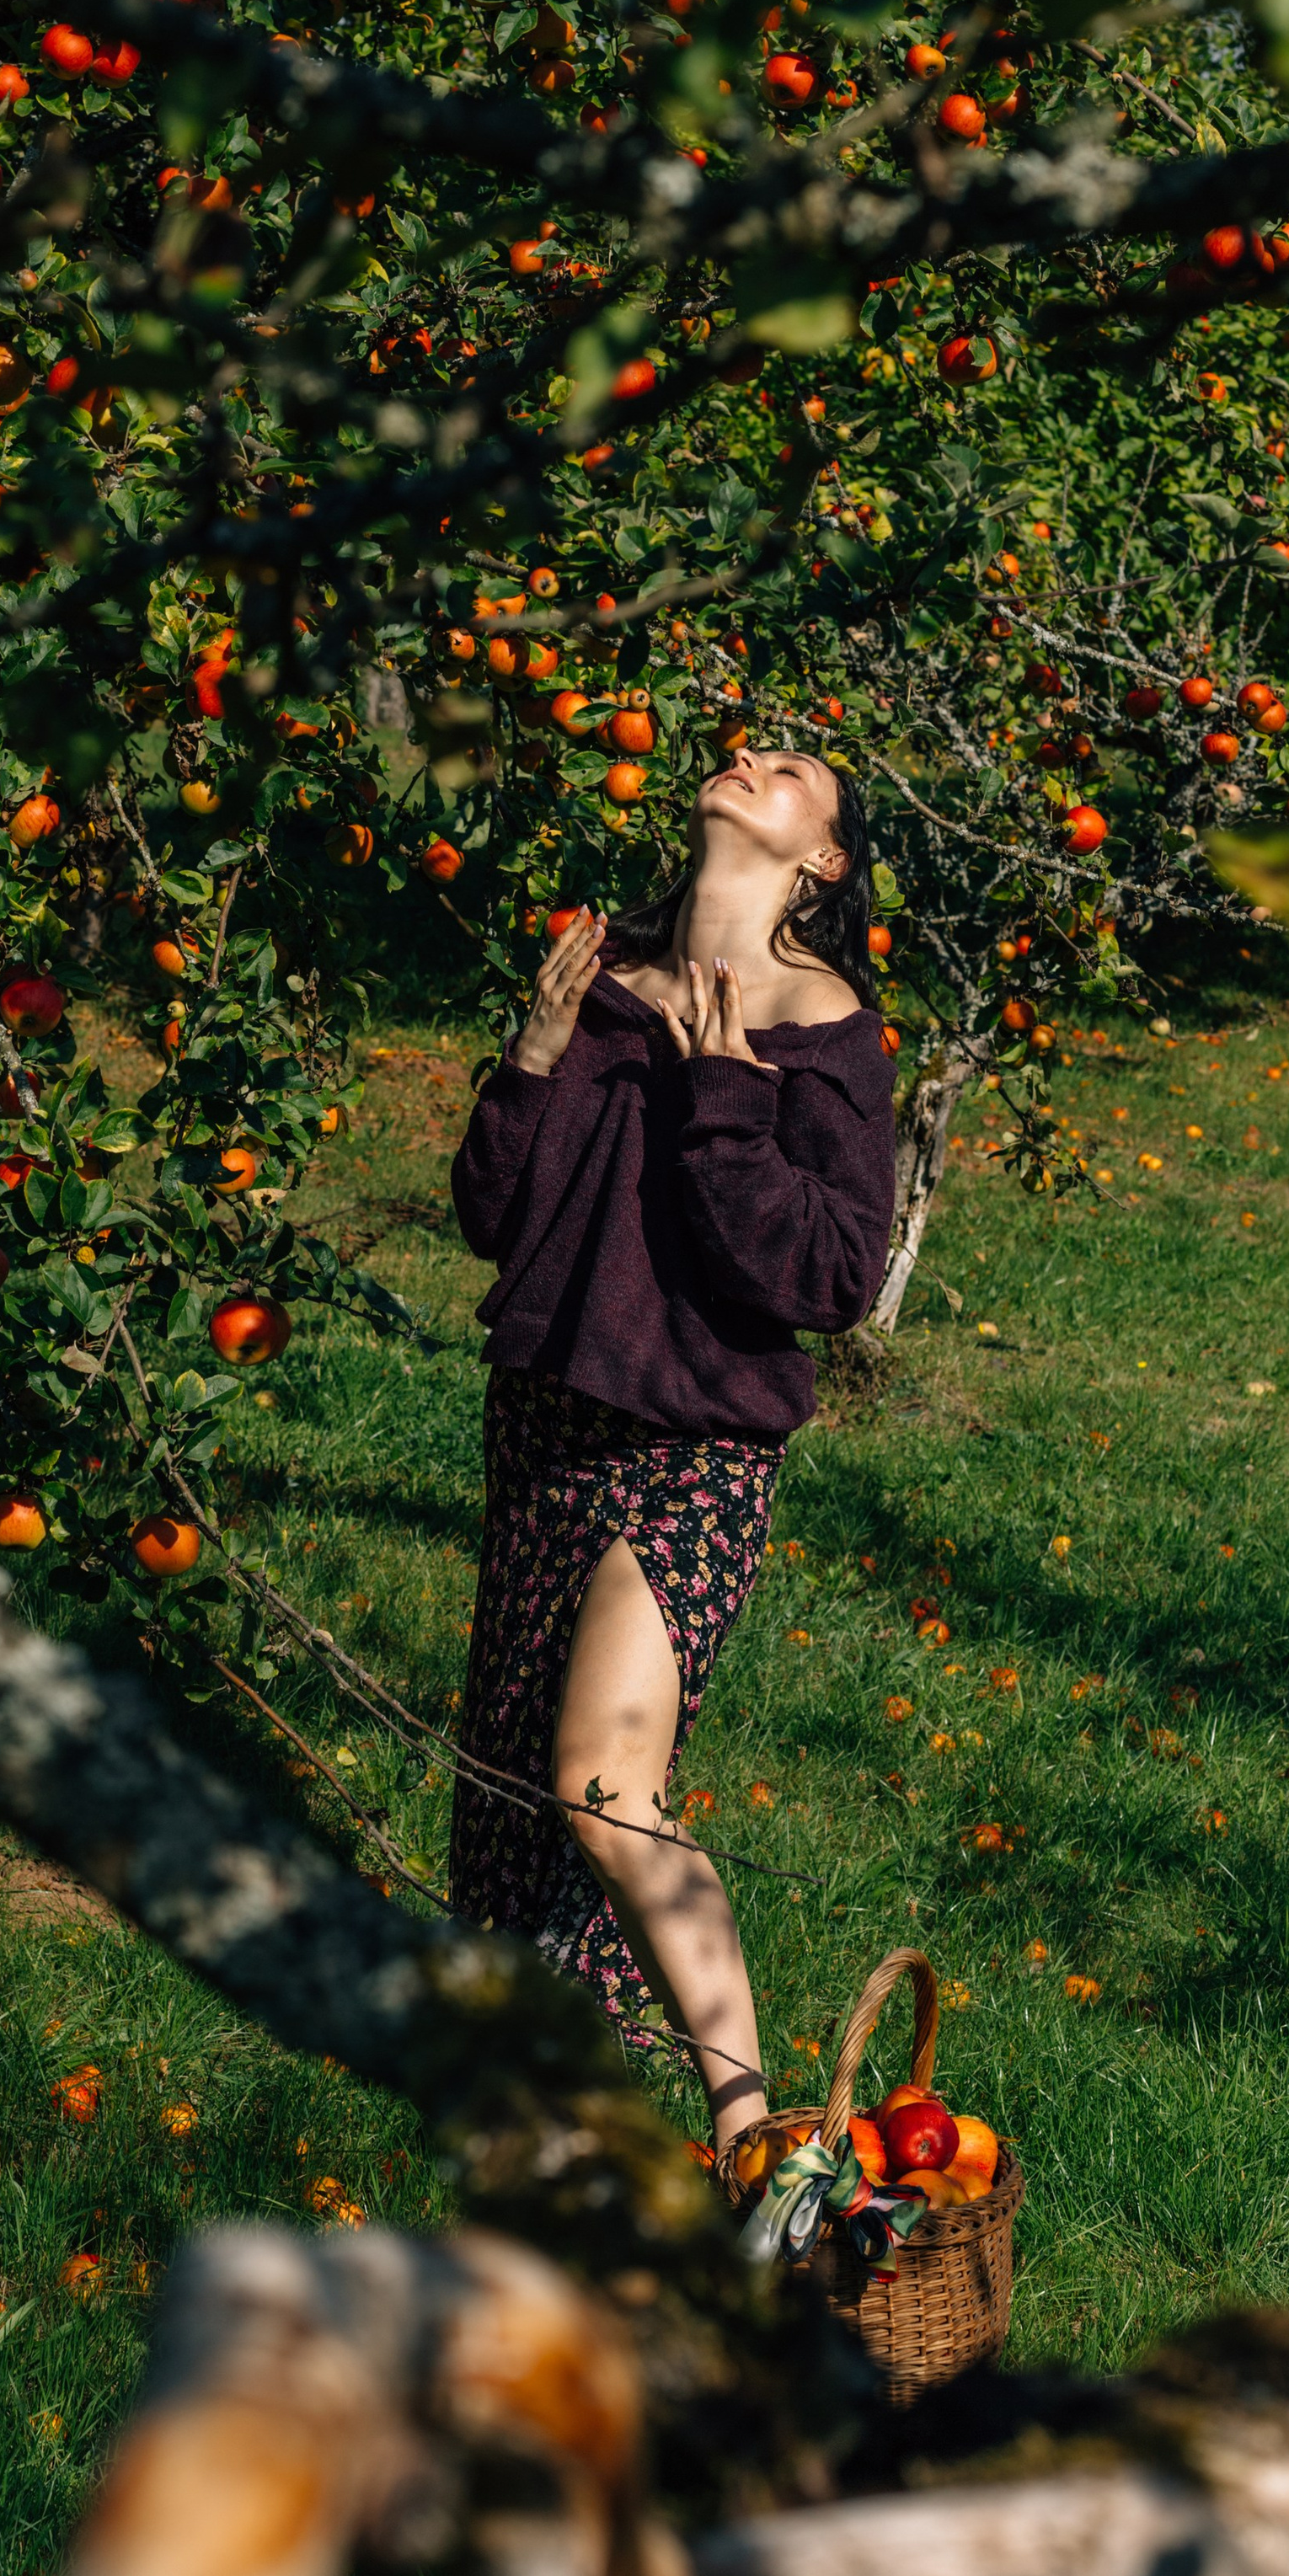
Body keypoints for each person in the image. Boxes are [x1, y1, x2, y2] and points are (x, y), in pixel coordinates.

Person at [447, 748, 898, 2156]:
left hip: (697, 1446)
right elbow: (487, 1213)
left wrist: (725, 1096)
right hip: (548, 1421)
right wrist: (530, 1058)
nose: (749, 759)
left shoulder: (825, 1035)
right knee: (521, 1797)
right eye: (748, 749)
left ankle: (753, 2129)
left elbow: (828, 1276)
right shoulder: (599, 977)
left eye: (791, 771)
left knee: (604, 1782)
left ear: (823, 861)